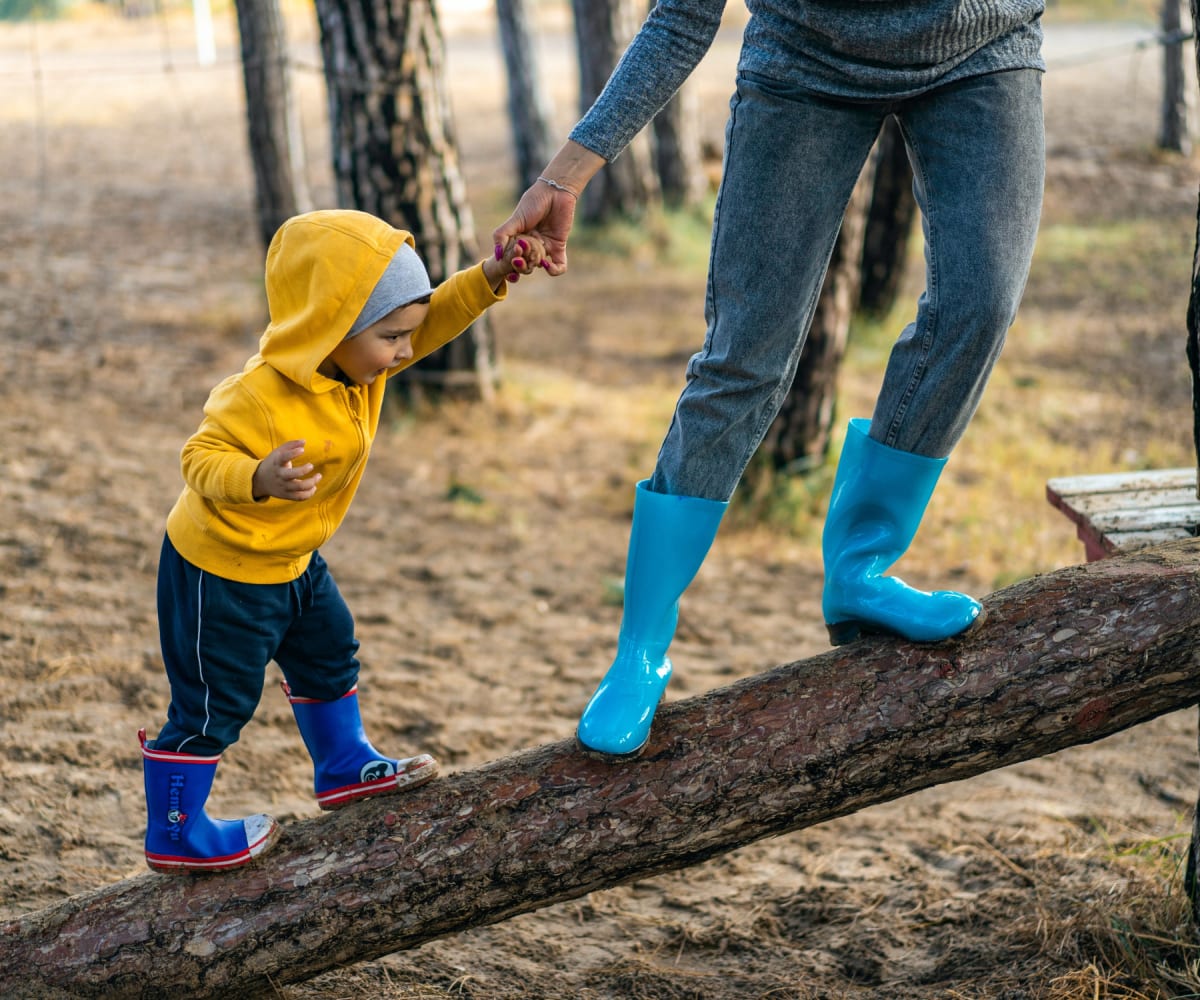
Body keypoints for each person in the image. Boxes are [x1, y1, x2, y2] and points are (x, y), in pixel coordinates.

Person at [494, 1, 1046, 760]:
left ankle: (861, 569)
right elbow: (682, 16)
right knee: (743, 359)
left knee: (979, 307)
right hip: (805, 61)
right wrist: (570, 171)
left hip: (985, 47)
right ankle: (640, 651)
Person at [140, 209, 546, 873]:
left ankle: (343, 765)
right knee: (217, 704)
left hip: (295, 560)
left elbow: (433, 318)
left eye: (404, 336)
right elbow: (197, 457)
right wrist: (256, 476)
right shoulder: (259, 395)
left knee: (330, 651)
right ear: (330, 327)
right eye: (391, 337)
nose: (405, 351)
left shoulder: (363, 364)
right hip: (224, 571)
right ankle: (176, 830)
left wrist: (491, 276)